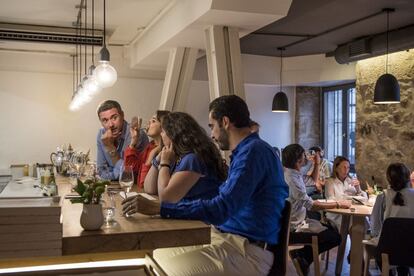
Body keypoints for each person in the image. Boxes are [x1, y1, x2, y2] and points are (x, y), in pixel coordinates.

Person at [123, 95, 288, 276]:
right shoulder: (245, 151)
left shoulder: (254, 152)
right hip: (227, 238)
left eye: (212, 126)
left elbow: (221, 208)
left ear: (225, 122)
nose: (211, 134)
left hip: (248, 249)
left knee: (161, 270)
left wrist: (162, 208)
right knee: (154, 256)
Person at [282, 144, 350, 276]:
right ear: (298, 160)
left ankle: (303, 256)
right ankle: (303, 255)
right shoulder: (292, 179)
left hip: (298, 220)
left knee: (333, 232)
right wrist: (338, 204)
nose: (306, 157)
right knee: (335, 237)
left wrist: (317, 163)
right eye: (303, 155)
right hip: (293, 226)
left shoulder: (294, 174)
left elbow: (313, 180)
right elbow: (311, 205)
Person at [142, 111, 227, 203]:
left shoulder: (192, 159)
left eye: (163, 131)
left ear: (173, 134)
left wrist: (164, 163)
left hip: (200, 216)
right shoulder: (177, 156)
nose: (161, 135)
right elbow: (149, 189)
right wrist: (158, 159)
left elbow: (166, 199)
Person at [368, 163, 414, 275]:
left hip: (388, 251)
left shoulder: (383, 196)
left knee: (378, 248)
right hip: (412, 250)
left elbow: (374, 227)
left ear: (389, 179)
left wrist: (375, 235)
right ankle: (403, 270)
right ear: (408, 178)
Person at [96, 100, 148, 180]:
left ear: (122, 115)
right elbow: (101, 171)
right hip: (112, 186)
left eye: (114, 117)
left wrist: (110, 147)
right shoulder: (101, 134)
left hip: (132, 189)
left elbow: (128, 176)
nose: (111, 125)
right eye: (105, 120)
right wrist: (115, 175)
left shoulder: (136, 135)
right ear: (101, 122)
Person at [124, 110, 169, 188]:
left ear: (164, 127)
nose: (149, 122)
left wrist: (152, 155)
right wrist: (133, 141)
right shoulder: (150, 146)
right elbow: (130, 170)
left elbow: (144, 184)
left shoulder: (165, 152)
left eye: (153, 121)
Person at [325, 156, 367, 230]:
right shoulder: (330, 182)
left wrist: (358, 189)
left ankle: (357, 240)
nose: (346, 170)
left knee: (361, 220)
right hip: (336, 213)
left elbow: (364, 199)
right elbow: (330, 200)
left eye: (348, 168)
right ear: (336, 168)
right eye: (344, 167)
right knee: (354, 223)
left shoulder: (350, 180)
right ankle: (349, 240)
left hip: (350, 211)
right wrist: (346, 198)